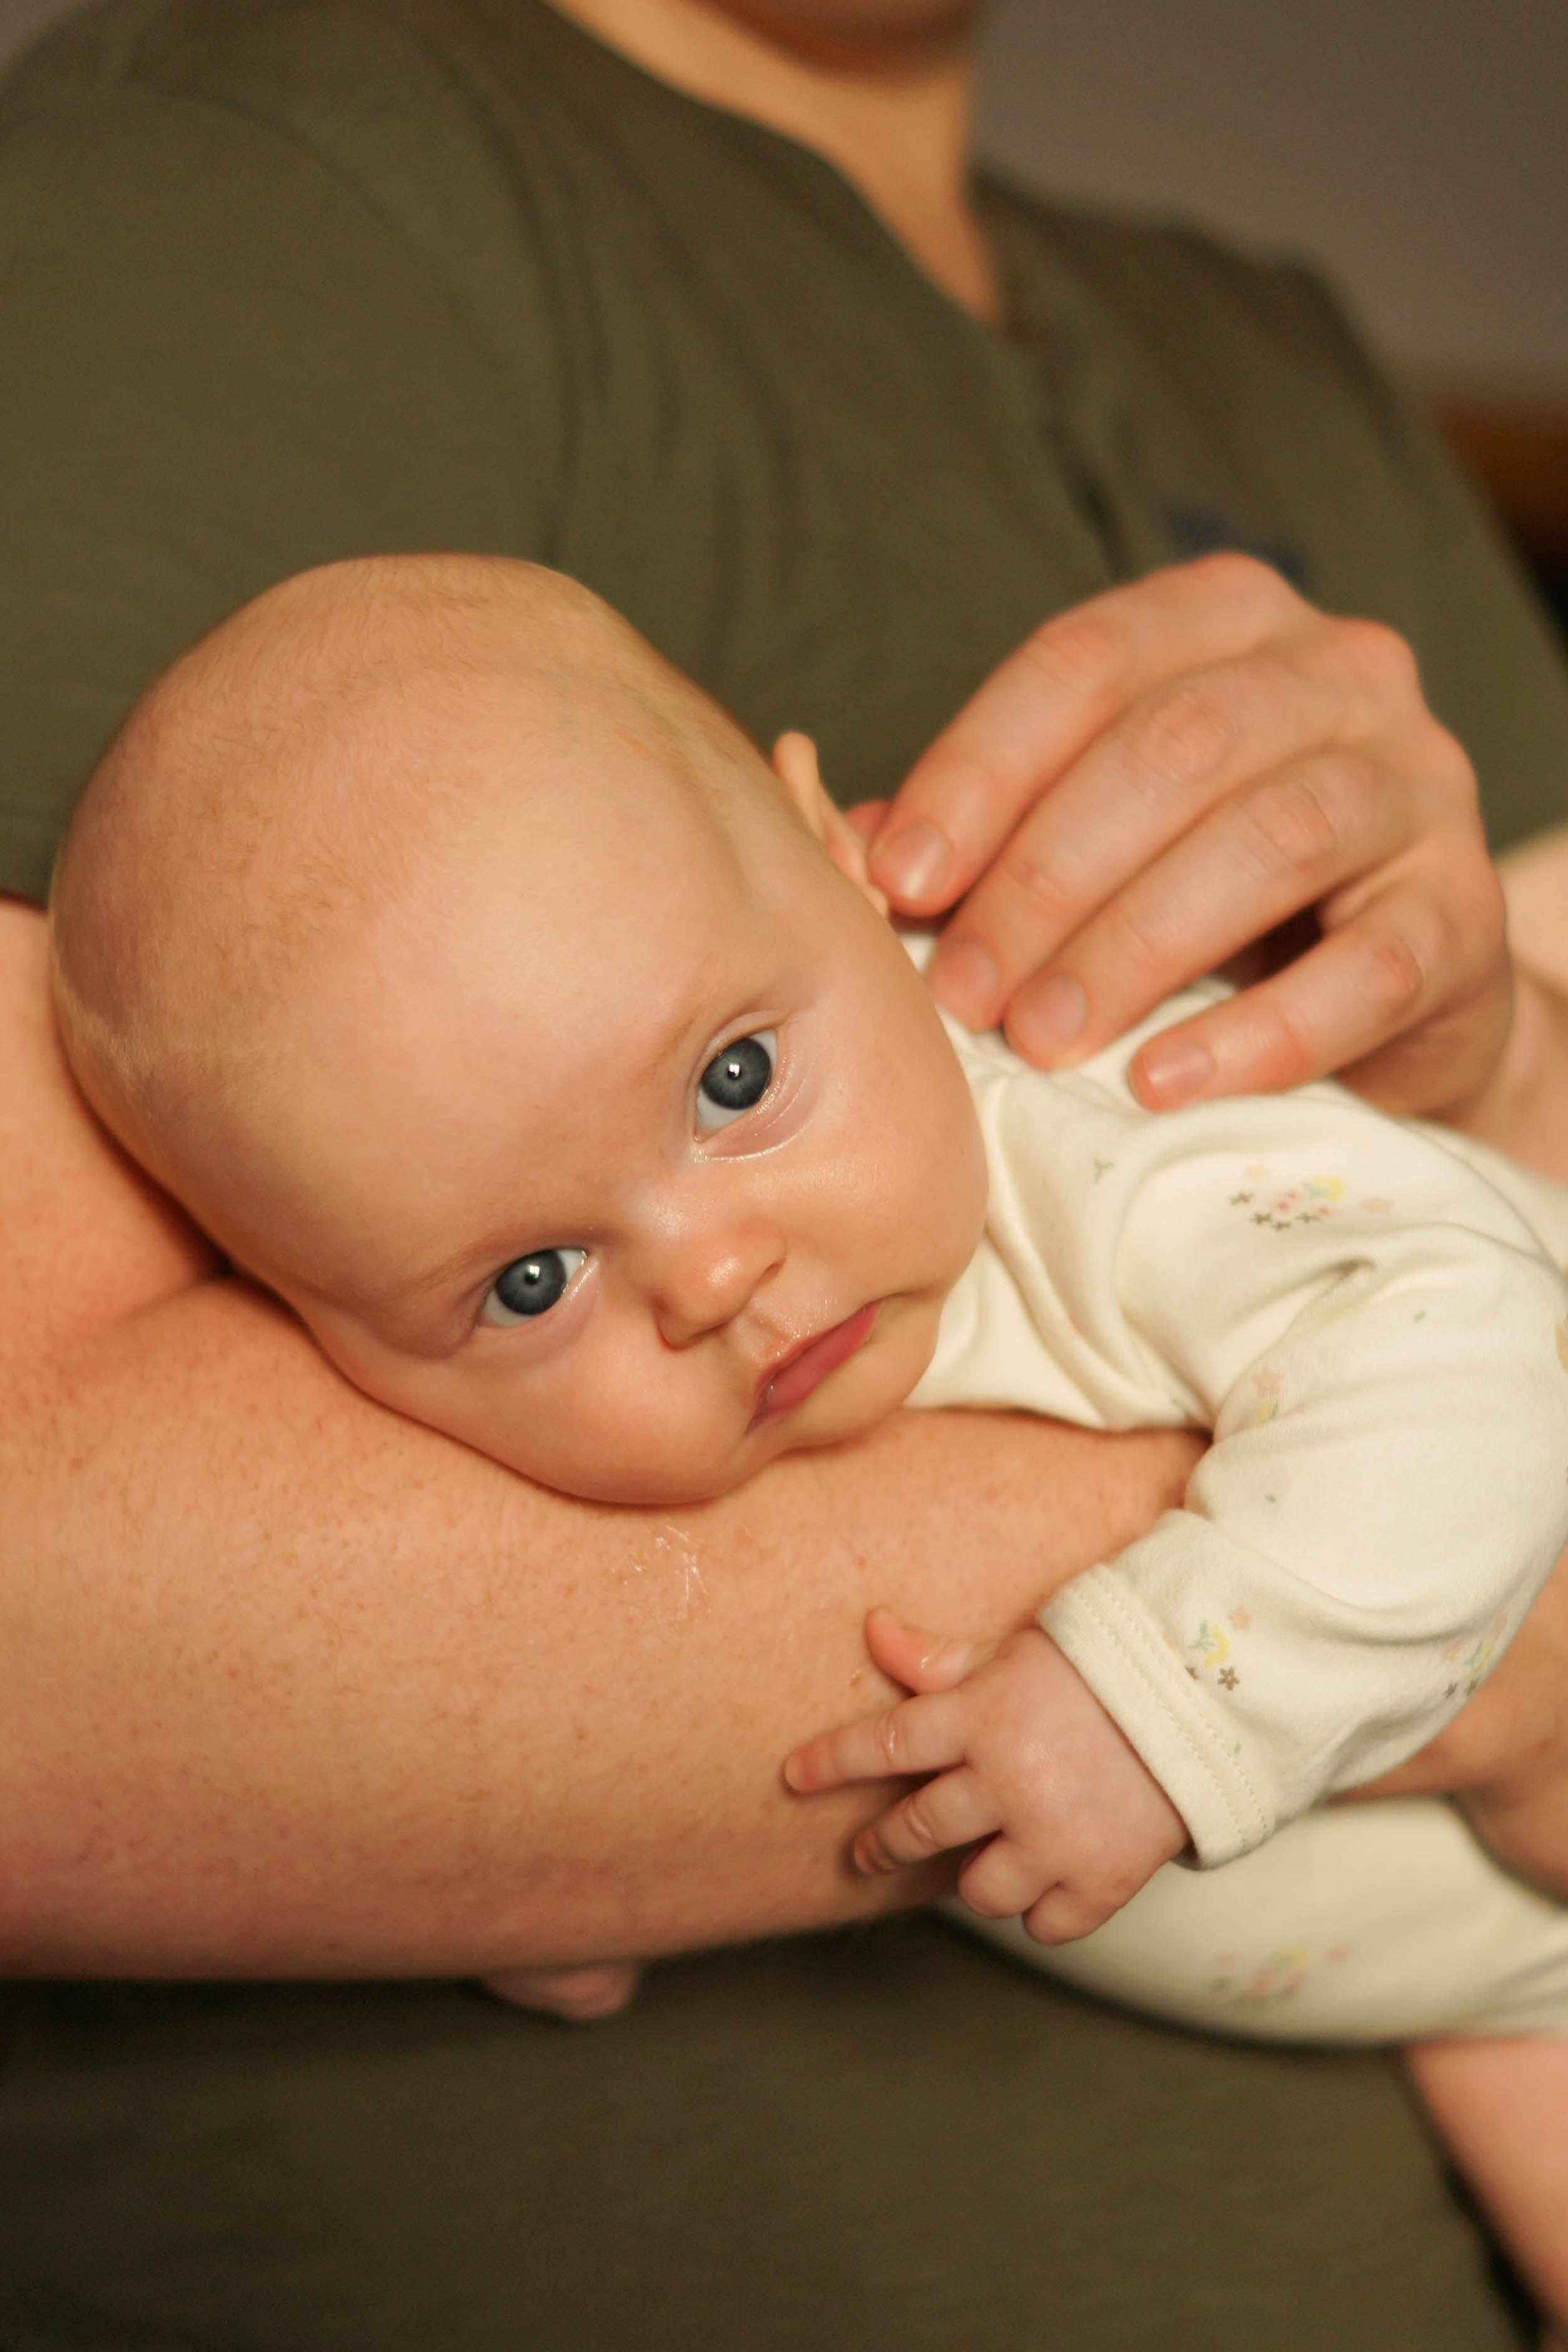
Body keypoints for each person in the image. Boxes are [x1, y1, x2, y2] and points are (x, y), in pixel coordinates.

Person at [6, 0, 1568, 2342]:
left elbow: (1475, 1293)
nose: (720, 1270)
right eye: (530, 1280)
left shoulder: (1261, 352)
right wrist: (515, 1847)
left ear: (857, 873)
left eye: (737, 1080)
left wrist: (1501, 1051)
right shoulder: (246, 178)